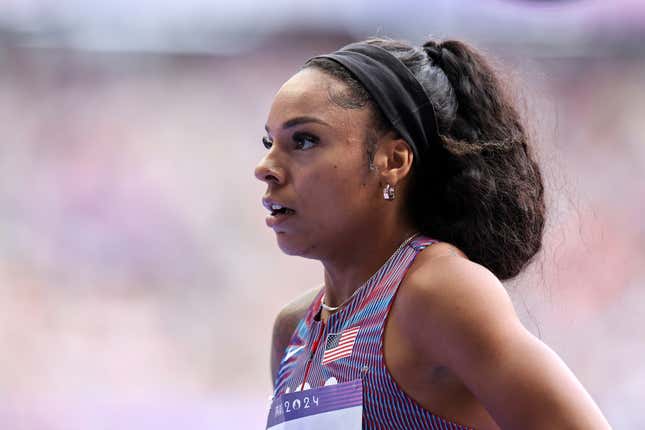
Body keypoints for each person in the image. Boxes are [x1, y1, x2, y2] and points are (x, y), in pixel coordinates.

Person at [255, 37, 611, 429]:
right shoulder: (293, 330)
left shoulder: (438, 293)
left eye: (304, 140)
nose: (265, 166)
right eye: (269, 142)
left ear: (392, 160)